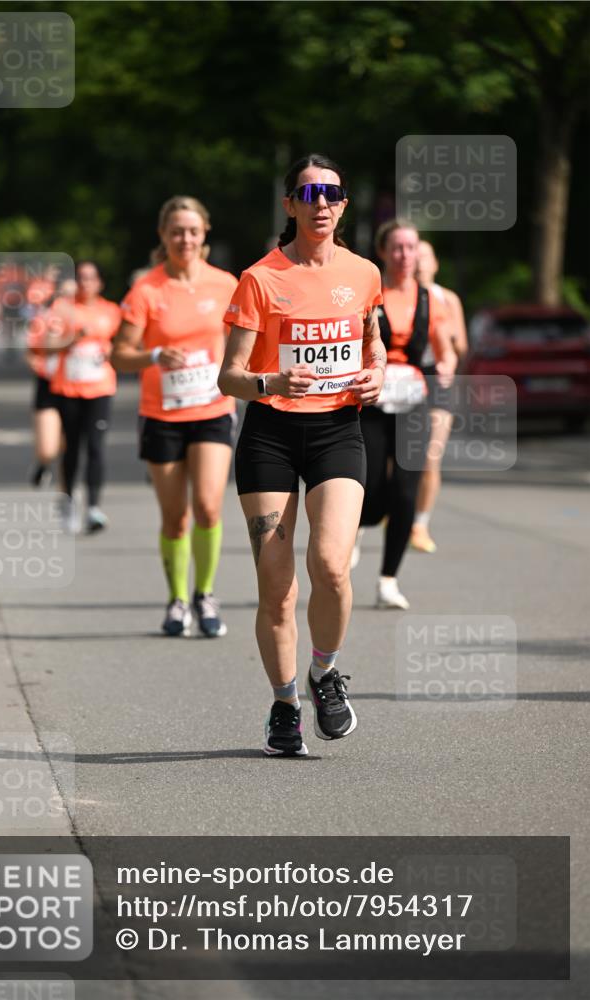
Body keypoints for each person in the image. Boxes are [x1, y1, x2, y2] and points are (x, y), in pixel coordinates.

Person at [217, 153, 385, 757]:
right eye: (308, 193)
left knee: (333, 567)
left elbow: (374, 339)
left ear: (343, 204)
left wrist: (376, 374)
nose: (320, 203)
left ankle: (324, 673)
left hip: (339, 429)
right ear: (290, 204)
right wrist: (270, 385)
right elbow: (228, 377)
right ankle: (286, 703)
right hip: (270, 434)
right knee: (277, 586)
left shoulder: (364, 273)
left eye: (331, 193)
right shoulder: (261, 278)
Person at [111, 196, 238, 638]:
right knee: (175, 517)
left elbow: (245, 343)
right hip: (161, 414)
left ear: (204, 235)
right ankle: (177, 599)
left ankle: (205, 594)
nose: (185, 239)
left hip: (212, 409)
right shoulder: (146, 290)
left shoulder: (225, 284)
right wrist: (154, 355)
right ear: (163, 237)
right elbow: (118, 355)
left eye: (193, 231)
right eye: (176, 231)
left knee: (207, 506)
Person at [355, 220, 455, 609]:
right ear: (383, 252)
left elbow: (444, 349)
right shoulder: (368, 294)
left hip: (413, 399)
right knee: (373, 486)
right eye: (397, 248)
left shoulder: (430, 299)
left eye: (411, 248)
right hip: (373, 401)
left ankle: (388, 580)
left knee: (406, 490)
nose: (405, 255)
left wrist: (446, 364)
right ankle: (363, 525)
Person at [49, 261, 121, 532]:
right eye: (80, 278)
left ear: (100, 283)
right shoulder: (61, 309)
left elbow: (123, 344)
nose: (85, 283)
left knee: (95, 446)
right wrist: (73, 338)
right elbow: (46, 345)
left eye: (91, 278)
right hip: (68, 388)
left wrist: (110, 350)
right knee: (72, 448)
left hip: (100, 388)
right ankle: (68, 502)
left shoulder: (111, 311)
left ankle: (93, 507)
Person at [411, 240, 468, 553]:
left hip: (437, 379)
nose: (419, 263)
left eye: (425, 258)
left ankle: (420, 523)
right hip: (404, 377)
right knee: (395, 457)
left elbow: (462, 347)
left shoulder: (448, 299)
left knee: (431, 457)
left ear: (435, 264)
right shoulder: (395, 295)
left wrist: (448, 341)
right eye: (414, 257)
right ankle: (397, 507)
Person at [25, 277, 75, 488]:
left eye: (74, 295)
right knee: (48, 447)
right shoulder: (44, 320)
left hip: (77, 387)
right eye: (64, 294)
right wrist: (35, 363)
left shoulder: (86, 319)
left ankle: (66, 492)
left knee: (68, 446)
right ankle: (43, 463)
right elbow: (31, 351)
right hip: (48, 384)